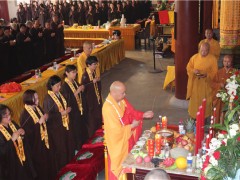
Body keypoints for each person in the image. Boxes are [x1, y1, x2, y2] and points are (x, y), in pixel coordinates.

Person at [102, 81, 154, 179]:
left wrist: (143, 115)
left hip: (127, 138)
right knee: (122, 167)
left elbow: (132, 112)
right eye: (122, 93)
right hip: (119, 143)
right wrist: (131, 126)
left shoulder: (122, 100)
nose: (125, 95)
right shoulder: (108, 109)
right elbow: (115, 132)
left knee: (131, 161)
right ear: (114, 93)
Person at [20, 90, 55, 180]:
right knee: (41, 167)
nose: (38, 100)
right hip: (36, 146)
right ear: (28, 100)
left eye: (37, 98)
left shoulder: (37, 107)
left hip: (45, 141)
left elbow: (43, 118)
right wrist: (38, 123)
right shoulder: (25, 115)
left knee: (49, 162)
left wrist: (45, 117)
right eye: (35, 99)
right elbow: (27, 135)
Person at [43, 75, 75, 172]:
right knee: (61, 148)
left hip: (65, 124)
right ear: (51, 86)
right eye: (57, 86)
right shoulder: (48, 99)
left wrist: (67, 110)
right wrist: (61, 114)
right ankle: (63, 168)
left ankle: (71, 163)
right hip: (56, 128)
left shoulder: (59, 94)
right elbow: (49, 116)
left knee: (68, 143)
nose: (59, 88)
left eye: (60, 85)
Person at [0, 104, 36, 180]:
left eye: (9, 114)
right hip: (11, 164)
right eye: (6, 116)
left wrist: (22, 134)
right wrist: (12, 140)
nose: (9, 117)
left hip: (22, 158)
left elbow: (22, 136)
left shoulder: (12, 123)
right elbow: (2, 151)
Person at [186, 42, 218, 119]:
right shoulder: (194, 57)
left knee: (205, 101)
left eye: (205, 51)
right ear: (199, 49)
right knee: (195, 101)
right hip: (196, 84)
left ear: (208, 50)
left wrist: (207, 74)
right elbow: (188, 67)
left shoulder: (212, 59)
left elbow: (215, 72)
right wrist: (194, 70)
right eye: (201, 50)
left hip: (206, 84)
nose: (203, 52)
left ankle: (205, 117)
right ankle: (193, 117)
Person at [61, 65, 89, 150]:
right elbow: (66, 99)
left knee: (82, 128)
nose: (75, 74)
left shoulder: (74, 81)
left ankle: (84, 144)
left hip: (79, 109)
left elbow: (80, 92)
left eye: (76, 72)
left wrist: (82, 88)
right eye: (73, 72)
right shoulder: (64, 86)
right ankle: (78, 148)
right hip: (73, 112)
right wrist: (77, 91)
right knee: (76, 130)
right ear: (67, 73)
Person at [82, 56, 102, 138]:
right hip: (90, 101)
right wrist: (92, 82)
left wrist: (98, 81)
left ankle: (98, 132)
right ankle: (92, 136)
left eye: (96, 64)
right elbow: (83, 87)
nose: (96, 66)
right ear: (88, 65)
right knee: (92, 118)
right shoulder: (85, 75)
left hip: (96, 98)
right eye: (94, 64)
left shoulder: (93, 72)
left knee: (98, 115)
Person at [212, 55, 235, 124]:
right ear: (223, 62)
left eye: (228, 61)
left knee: (229, 114)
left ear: (231, 62)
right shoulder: (219, 72)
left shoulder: (235, 72)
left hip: (230, 98)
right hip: (220, 98)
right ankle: (218, 130)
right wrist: (219, 85)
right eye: (225, 61)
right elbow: (212, 83)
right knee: (219, 114)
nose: (226, 63)